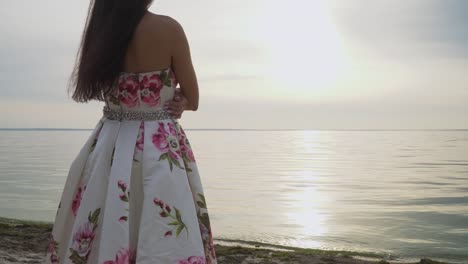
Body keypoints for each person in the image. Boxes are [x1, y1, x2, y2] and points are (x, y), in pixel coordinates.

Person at [45, 0, 217, 263]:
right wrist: (178, 100)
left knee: (105, 217)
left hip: (110, 143)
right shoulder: (169, 28)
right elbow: (193, 98)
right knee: (163, 224)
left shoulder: (103, 33)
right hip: (160, 146)